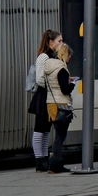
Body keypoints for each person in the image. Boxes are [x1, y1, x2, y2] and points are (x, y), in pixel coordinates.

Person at [30, 30, 62, 173]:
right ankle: (39, 160)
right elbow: (39, 79)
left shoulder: (55, 56)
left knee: (46, 130)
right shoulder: (44, 57)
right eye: (59, 41)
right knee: (39, 129)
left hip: (50, 94)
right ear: (51, 43)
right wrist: (53, 84)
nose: (61, 43)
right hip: (44, 95)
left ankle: (44, 159)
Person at [43, 43, 75, 174]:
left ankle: (54, 163)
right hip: (61, 104)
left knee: (57, 134)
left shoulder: (50, 67)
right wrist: (72, 84)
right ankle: (55, 165)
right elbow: (64, 89)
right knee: (60, 136)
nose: (69, 60)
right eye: (69, 57)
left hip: (51, 103)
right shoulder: (61, 69)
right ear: (65, 55)